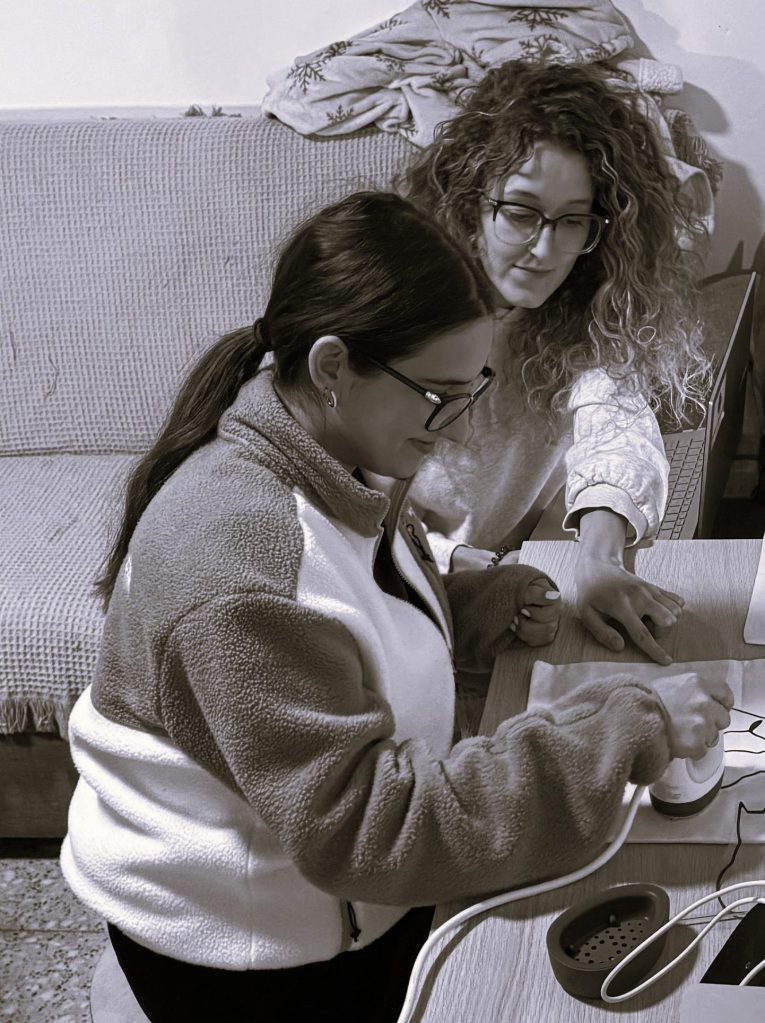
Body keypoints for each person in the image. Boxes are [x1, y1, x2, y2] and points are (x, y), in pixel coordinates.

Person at [61, 191, 731, 1023]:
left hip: (330, 894)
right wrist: (625, 731)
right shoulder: (242, 562)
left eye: (468, 390)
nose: (453, 427)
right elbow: (368, 832)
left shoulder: (332, 452)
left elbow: (342, 616)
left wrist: (463, 606)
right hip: (250, 955)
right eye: (436, 396)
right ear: (332, 367)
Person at [401, 60, 712, 666]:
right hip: (403, 587)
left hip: (519, 584)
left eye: (571, 221)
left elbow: (616, 430)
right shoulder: (399, 315)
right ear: (469, 205)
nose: (544, 249)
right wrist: (453, 561)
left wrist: (598, 560)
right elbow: (338, 505)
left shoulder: (581, 314)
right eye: (521, 212)